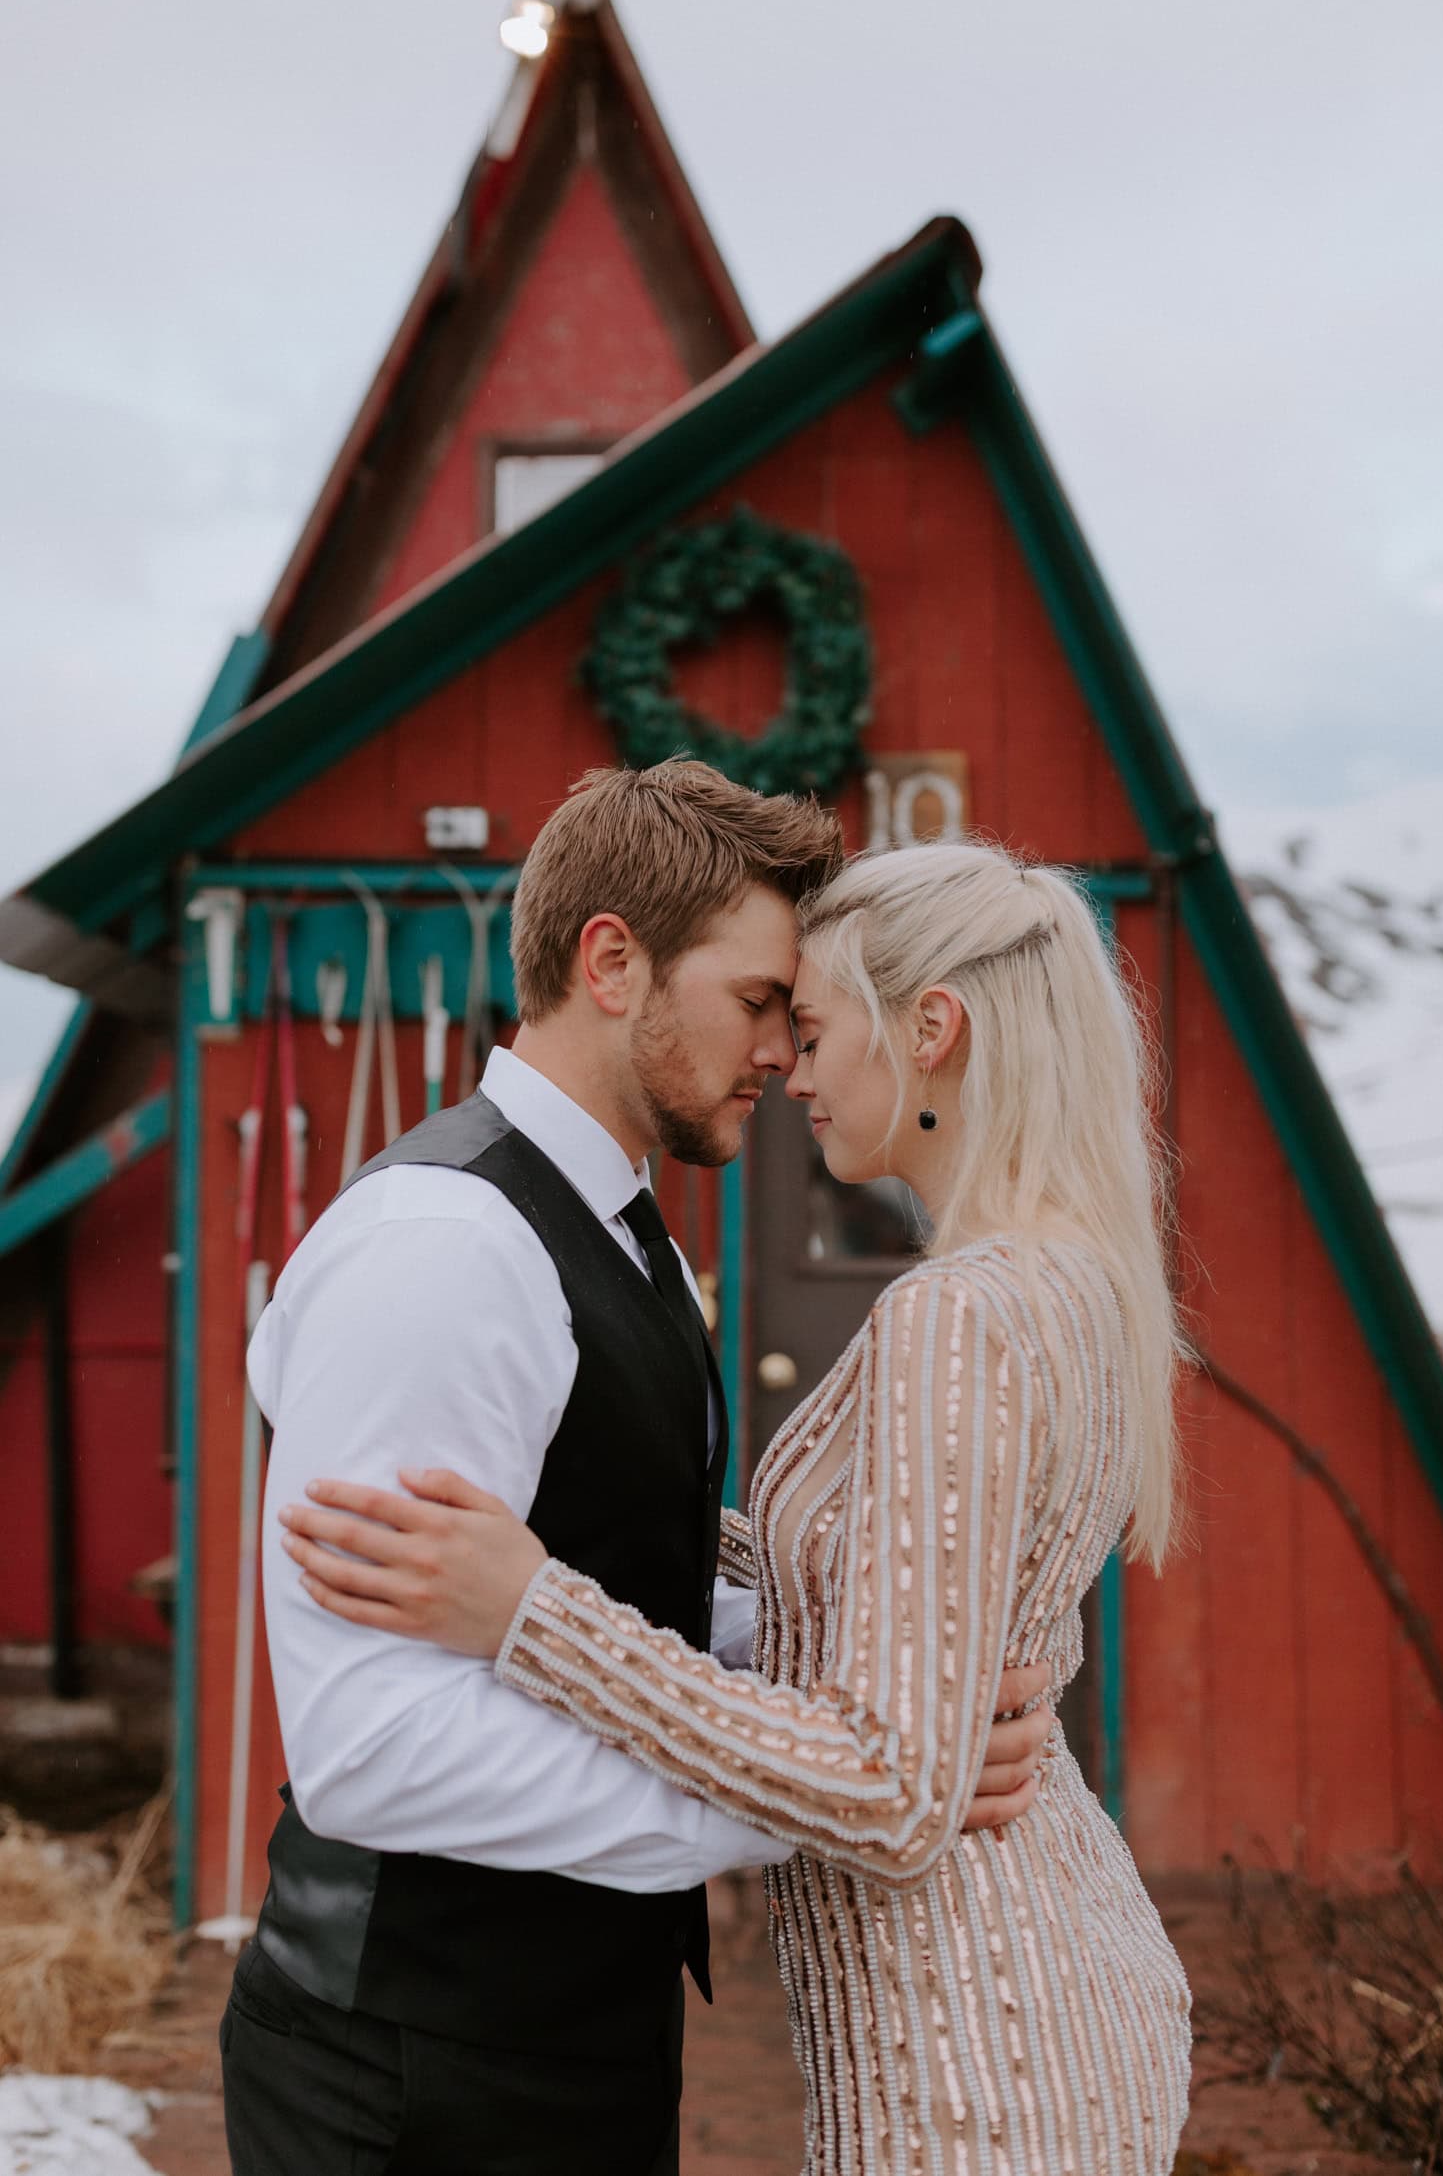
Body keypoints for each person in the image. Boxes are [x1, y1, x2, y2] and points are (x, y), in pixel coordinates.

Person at [283, 833, 1196, 2176]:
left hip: (975, 2038)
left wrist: (534, 1607)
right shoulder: (1073, 1280)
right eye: (775, 1017)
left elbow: (889, 1784)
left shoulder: (958, 1313)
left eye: (815, 1027)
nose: (795, 1068)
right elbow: (888, 1577)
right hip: (1041, 1972)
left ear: (931, 1028)